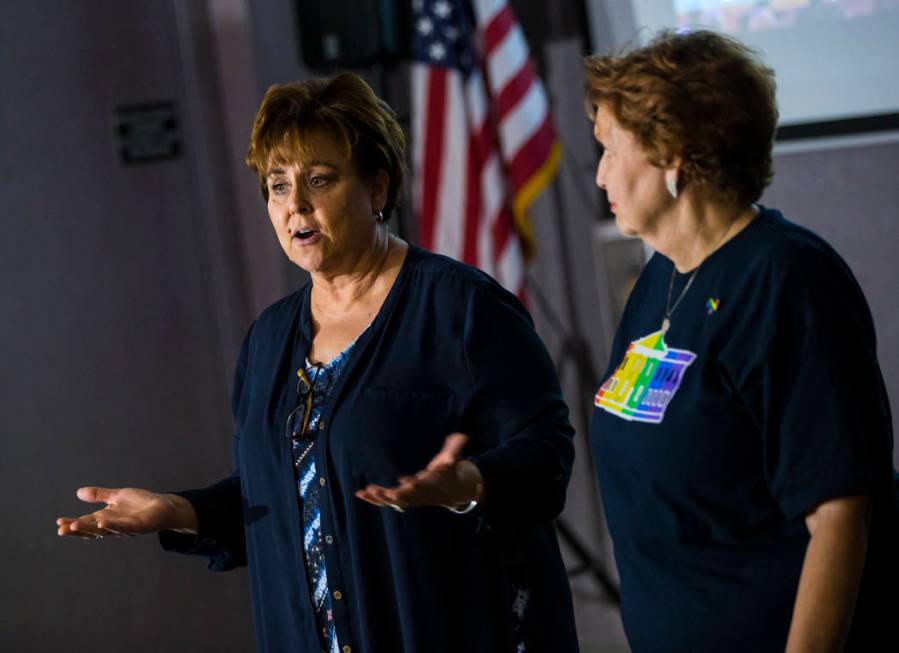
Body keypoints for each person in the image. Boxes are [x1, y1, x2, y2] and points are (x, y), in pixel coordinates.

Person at [56, 72, 579, 653]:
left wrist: (469, 483)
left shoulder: (462, 308)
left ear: (377, 189)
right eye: (277, 186)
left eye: (320, 180)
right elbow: (276, 500)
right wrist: (176, 511)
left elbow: (547, 457)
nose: (294, 205)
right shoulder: (268, 340)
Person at [586, 30, 898, 653]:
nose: (598, 175)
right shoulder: (661, 279)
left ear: (672, 154)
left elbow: (839, 515)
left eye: (612, 151)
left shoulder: (789, 282)